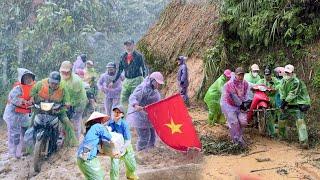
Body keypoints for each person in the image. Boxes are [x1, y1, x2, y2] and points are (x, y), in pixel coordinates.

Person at [31, 71, 78, 147]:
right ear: (49, 81)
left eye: (56, 84)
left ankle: (72, 143)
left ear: (59, 83)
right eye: (52, 83)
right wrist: (32, 98)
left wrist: (67, 103)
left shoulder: (63, 88)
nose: (53, 85)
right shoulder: (40, 84)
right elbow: (33, 91)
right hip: (41, 109)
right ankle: (28, 146)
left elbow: (67, 99)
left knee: (66, 122)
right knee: (32, 122)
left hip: (57, 109)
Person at [126, 72, 164, 151]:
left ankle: (151, 149)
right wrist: (136, 105)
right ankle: (140, 151)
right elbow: (133, 97)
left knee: (153, 135)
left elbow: (157, 102)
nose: (159, 85)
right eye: (157, 83)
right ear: (152, 80)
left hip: (149, 116)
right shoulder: (142, 88)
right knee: (144, 136)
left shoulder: (155, 91)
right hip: (139, 116)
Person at [3, 68, 35, 159]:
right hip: (13, 114)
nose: (28, 80)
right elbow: (13, 98)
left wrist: (33, 99)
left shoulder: (34, 87)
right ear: (22, 79)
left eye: (30, 77)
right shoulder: (17, 88)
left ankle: (25, 150)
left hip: (23, 114)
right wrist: (23, 101)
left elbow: (35, 95)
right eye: (26, 78)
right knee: (14, 134)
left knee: (27, 131)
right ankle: (13, 154)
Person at [279, 64, 311, 148]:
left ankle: (304, 142)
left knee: (300, 122)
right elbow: (281, 91)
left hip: (298, 104)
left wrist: (285, 102)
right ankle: (282, 137)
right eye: (286, 72)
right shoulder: (282, 81)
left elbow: (293, 93)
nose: (287, 74)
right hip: (288, 104)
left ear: (292, 73)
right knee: (282, 118)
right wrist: (283, 101)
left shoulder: (297, 82)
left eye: (289, 73)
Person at [110, 40, 146, 111]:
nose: (128, 47)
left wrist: (144, 79)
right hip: (127, 80)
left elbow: (143, 68)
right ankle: (125, 116)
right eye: (126, 45)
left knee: (134, 98)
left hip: (137, 79)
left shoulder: (138, 56)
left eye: (130, 45)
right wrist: (113, 81)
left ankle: (134, 116)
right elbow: (120, 70)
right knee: (123, 98)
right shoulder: (123, 56)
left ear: (133, 45)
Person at [77, 112, 114, 180]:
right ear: (99, 120)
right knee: (98, 177)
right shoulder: (98, 126)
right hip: (87, 159)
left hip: (80, 158)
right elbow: (109, 137)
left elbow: (96, 150)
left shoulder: (90, 132)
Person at [107, 106, 138, 180]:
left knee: (132, 166)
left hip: (126, 147)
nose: (116, 113)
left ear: (122, 115)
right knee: (114, 167)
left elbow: (128, 140)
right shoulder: (110, 123)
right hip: (115, 147)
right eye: (115, 112)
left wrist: (122, 148)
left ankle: (130, 176)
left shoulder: (124, 124)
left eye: (118, 112)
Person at [221, 67, 249, 147]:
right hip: (229, 105)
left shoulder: (245, 83)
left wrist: (245, 102)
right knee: (234, 123)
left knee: (243, 122)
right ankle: (236, 141)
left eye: (242, 75)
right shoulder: (230, 84)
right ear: (235, 75)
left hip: (239, 105)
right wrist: (241, 104)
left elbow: (246, 94)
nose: (241, 77)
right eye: (239, 75)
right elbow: (234, 97)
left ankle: (239, 138)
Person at [60, 61, 88, 139]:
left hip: (79, 102)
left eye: (67, 72)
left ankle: (76, 139)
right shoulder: (60, 78)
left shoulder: (75, 81)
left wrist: (70, 103)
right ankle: (63, 135)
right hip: (67, 102)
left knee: (76, 119)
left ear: (70, 71)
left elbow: (76, 97)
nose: (65, 73)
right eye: (63, 71)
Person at [256, 68, 281, 137]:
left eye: (269, 75)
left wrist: (274, 88)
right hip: (264, 99)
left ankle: (277, 130)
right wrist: (261, 88)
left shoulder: (275, 80)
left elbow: (280, 84)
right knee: (268, 114)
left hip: (273, 98)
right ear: (264, 75)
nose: (267, 76)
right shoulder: (261, 81)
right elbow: (256, 86)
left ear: (271, 74)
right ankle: (271, 132)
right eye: (266, 75)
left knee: (276, 114)